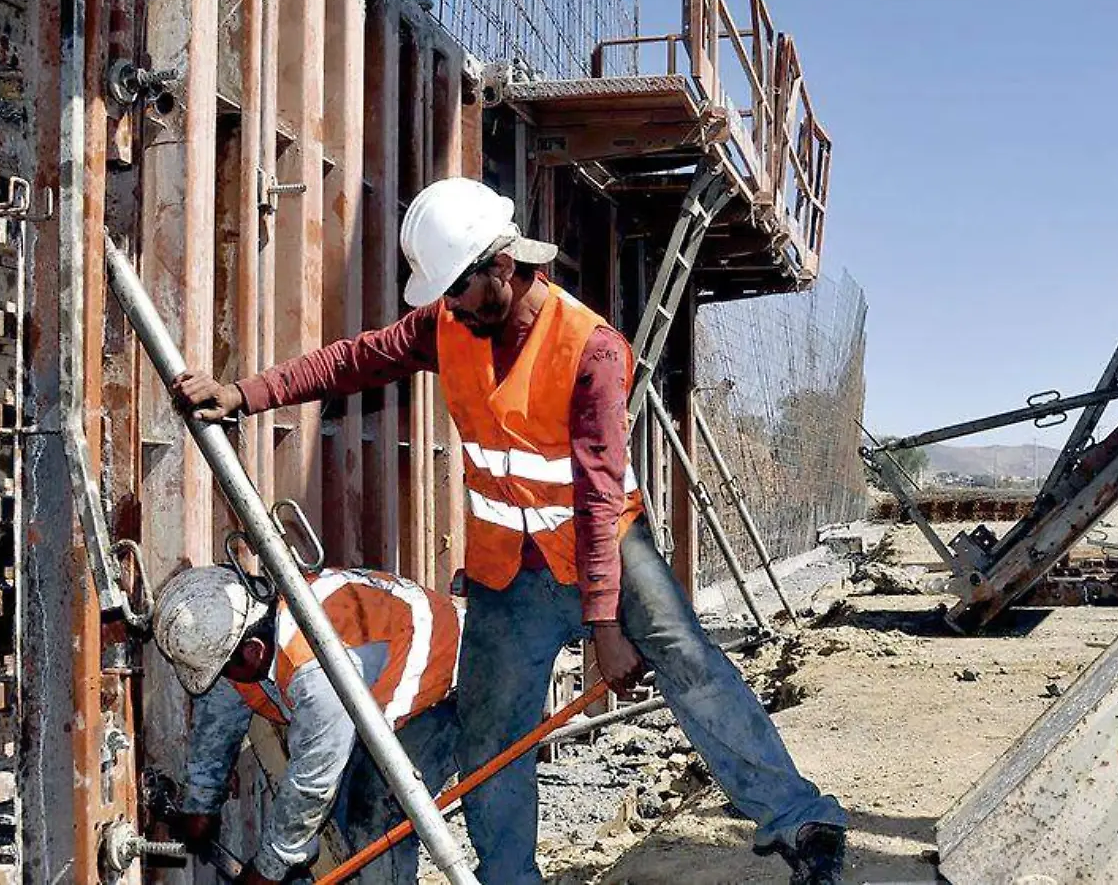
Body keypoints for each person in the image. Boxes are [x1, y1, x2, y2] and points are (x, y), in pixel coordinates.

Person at [171, 178, 847, 884]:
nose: (448, 307)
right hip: (506, 570)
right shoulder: (448, 325)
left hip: (605, 549)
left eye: (457, 290)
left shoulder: (592, 350)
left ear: (501, 266)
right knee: (494, 737)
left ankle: (802, 820)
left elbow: (595, 495)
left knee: (692, 667)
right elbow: (354, 360)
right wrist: (245, 395)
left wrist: (606, 626)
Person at [152, 563, 462, 885]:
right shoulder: (249, 628)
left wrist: (267, 870)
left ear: (253, 652)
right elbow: (219, 708)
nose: (223, 682)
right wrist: (200, 800)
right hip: (369, 700)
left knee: (373, 810)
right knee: (333, 827)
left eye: (224, 672)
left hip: (448, 685)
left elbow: (312, 785)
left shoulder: (316, 671)